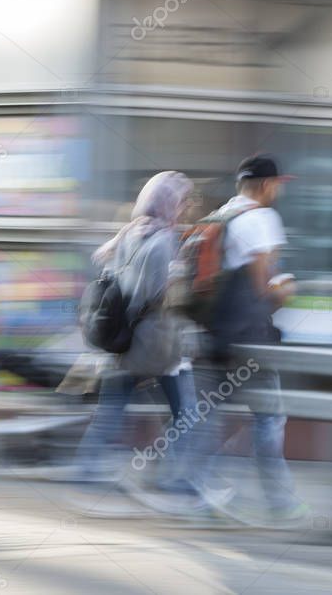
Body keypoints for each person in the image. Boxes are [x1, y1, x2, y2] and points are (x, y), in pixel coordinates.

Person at [188, 154, 308, 522]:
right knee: (269, 418)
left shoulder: (221, 216)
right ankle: (281, 504)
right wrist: (284, 289)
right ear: (268, 185)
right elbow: (263, 291)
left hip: (213, 336)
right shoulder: (263, 220)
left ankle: (203, 497)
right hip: (250, 341)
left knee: (210, 418)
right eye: (277, 185)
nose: (278, 191)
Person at [73, 171, 198, 482]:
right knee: (188, 413)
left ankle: (86, 469)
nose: (184, 208)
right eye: (181, 202)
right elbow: (163, 295)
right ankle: (174, 479)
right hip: (156, 342)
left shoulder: (128, 233)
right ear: (168, 203)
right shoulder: (165, 240)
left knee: (112, 409)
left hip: (123, 338)